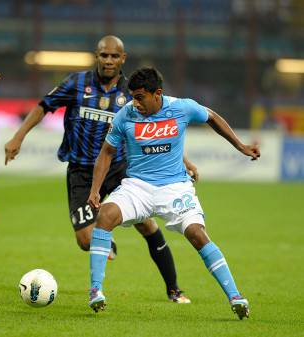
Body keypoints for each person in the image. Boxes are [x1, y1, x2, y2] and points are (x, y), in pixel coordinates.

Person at [5, 35, 197, 303]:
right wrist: (18, 137)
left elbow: (156, 127)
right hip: (82, 171)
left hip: (120, 168)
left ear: (122, 58)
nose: (108, 60)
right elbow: (42, 106)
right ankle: (107, 244)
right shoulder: (76, 83)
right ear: (96, 56)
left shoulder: (134, 91)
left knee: (147, 225)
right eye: (103, 55)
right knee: (86, 240)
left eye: (113, 56)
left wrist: (184, 160)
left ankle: (174, 289)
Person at [87, 67, 260, 319]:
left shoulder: (182, 107)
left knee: (198, 235)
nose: (135, 102)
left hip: (175, 188)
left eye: (140, 97)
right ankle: (95, 290)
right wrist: (95, 191)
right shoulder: (126, 115)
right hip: (138, 187)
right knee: (105, 216)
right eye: (133, 97)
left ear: (157, 93)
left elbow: (212, 117)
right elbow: (107, 153)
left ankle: (235, 296)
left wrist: (241, 146)